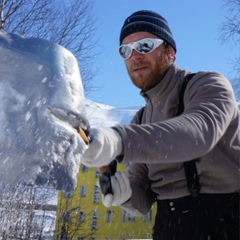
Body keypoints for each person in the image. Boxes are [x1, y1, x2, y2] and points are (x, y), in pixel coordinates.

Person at [81, 10, 240, 240]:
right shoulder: (141, 119)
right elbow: (143, 200)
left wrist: (120, 140)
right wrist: (124, 195)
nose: (135, 56)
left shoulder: (208, 86)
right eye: (126, 50)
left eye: (145, 45)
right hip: (169, 226)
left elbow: (197, 134)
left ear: (170, 52)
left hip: (225, 220)